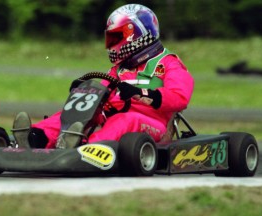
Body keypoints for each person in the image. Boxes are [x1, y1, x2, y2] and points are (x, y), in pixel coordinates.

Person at [12, 4, 194, 149]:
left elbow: (180, 97)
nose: (112, 44)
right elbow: (102, 91)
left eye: (117, 38)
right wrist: (83, 90)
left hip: (153, 125)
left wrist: (142, 93)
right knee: (74, 114)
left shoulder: (169, 63)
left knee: (123, 120)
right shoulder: (119, 69)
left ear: (136, 36)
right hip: (112, 115)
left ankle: (86, 148)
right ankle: (35, 138)